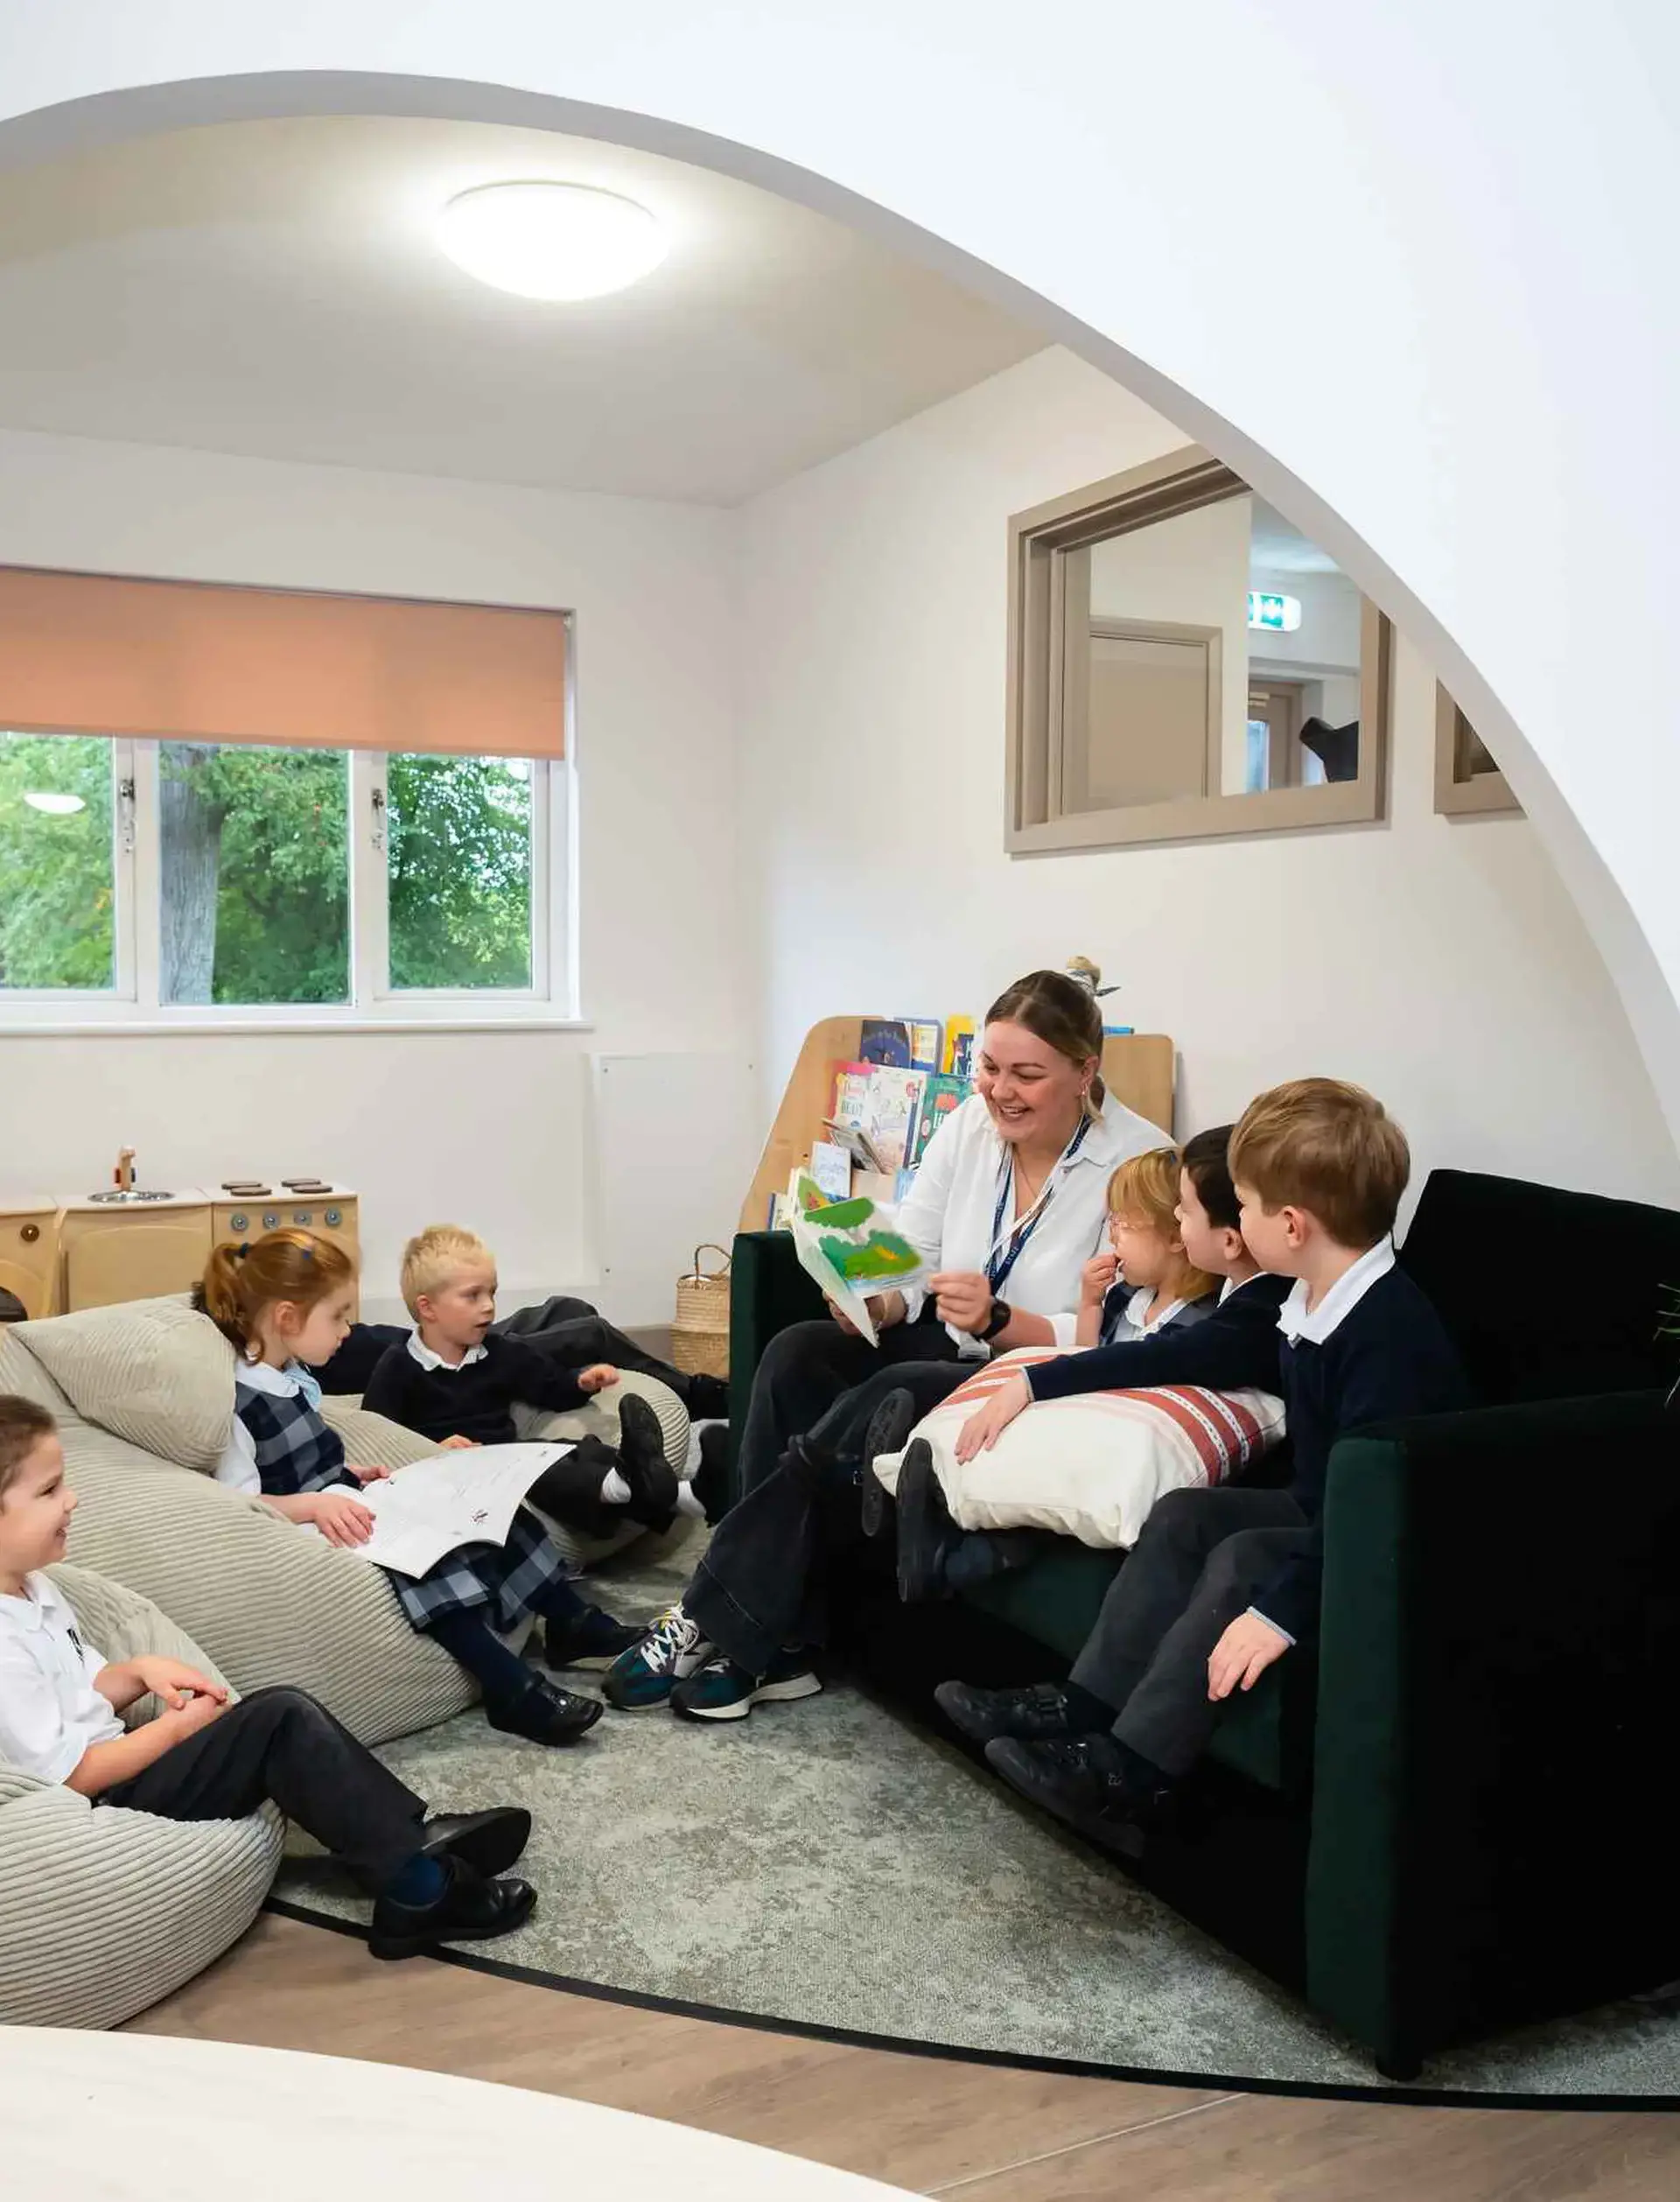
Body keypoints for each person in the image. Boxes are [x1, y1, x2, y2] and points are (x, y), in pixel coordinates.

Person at [603, 965, 1168, 1722]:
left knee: (885, 1395)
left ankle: (719, 1620)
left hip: (1029, 1374)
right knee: (797, 1354)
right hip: (947, 1339)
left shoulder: (1137, 1165)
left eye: (1027, 1075)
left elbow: (1127, 1334)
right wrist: (882, 1297)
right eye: (990, 1069)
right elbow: (917, 1245)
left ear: (1085, 1071)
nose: (1001, 1091)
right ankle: (789, 1642)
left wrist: (1003, 1320)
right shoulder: (972, 1125)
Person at [934, 1079, 1471, 1851]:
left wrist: (1279, 1612)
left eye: (1245, 1206)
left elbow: (1371, 1511)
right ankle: (1083, 1706)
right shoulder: (1310, 1300)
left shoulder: (1386, 1336)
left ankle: (1132, 1773)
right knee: (1190, 1515)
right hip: (1327, 1509)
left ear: (1291, 1224)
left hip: (1382, 1539)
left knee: (1249, 1555)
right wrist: (1035, 1376)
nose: (1237, 1224)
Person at [0, 1396, 536, 1961]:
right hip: (104, 1800)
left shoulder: (36, 1588)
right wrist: (175, 1733)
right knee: (280, 1719)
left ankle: (405, 1838)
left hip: (127, 1766)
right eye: (49, 1491)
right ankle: (418, 1890)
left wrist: (135, 1671)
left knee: (280, 1715)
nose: (73, 1499)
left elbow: (81, 1691)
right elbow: (73, 1776)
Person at [197, 1229, 627, 1745]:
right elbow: (239, 1503)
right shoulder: (236, 1404)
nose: (347, 1331)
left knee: (490, 1511)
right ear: (287, 1318)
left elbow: (305, 1456)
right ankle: (511, 1688)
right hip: (314, 1525)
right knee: (430, 1562)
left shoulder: (288, 1377)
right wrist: (315, 1502)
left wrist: (349, 1473)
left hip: (345, 1498)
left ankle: (570, 1618)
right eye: (336, 1317)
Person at [893, 1126, 1275, 1604]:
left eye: (1186, 1211)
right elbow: (1101, 1353)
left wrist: (1030, 1382)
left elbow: (1150, 1359)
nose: (1179, 1220)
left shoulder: (1234, 1318)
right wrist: (1089, 1307)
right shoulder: (1162, 1297)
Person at [361, 1224, 697, 1557]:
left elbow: (550, 1387)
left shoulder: (500, 1351)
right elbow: (376, 1439)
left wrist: (581, 1382)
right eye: (472, 1295)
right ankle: (643, 1489)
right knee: (541, 1471)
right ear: (427, 1308)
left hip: (505, 1457)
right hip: (447, 1475)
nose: (489, 1306)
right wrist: (431, 1450)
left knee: (568, 1452)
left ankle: (676, 1492)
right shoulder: (398, 1367)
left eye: (491, 1292)